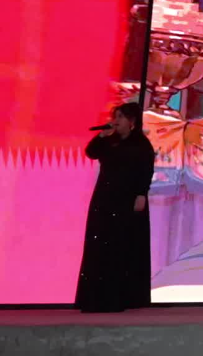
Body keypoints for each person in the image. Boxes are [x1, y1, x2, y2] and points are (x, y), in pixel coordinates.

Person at [75, 102, 155, 313]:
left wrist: (141, 193)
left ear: (132, 121)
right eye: (115, 117)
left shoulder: (141, 144)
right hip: (105, 198)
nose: (116, 121)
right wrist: (102, 135)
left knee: (122, 244)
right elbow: (91, 152)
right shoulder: (110, 141)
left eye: (120, 117)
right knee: (101, 244)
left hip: (127, 199)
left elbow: (146, 170)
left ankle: (123, 297)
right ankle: (96, 297)